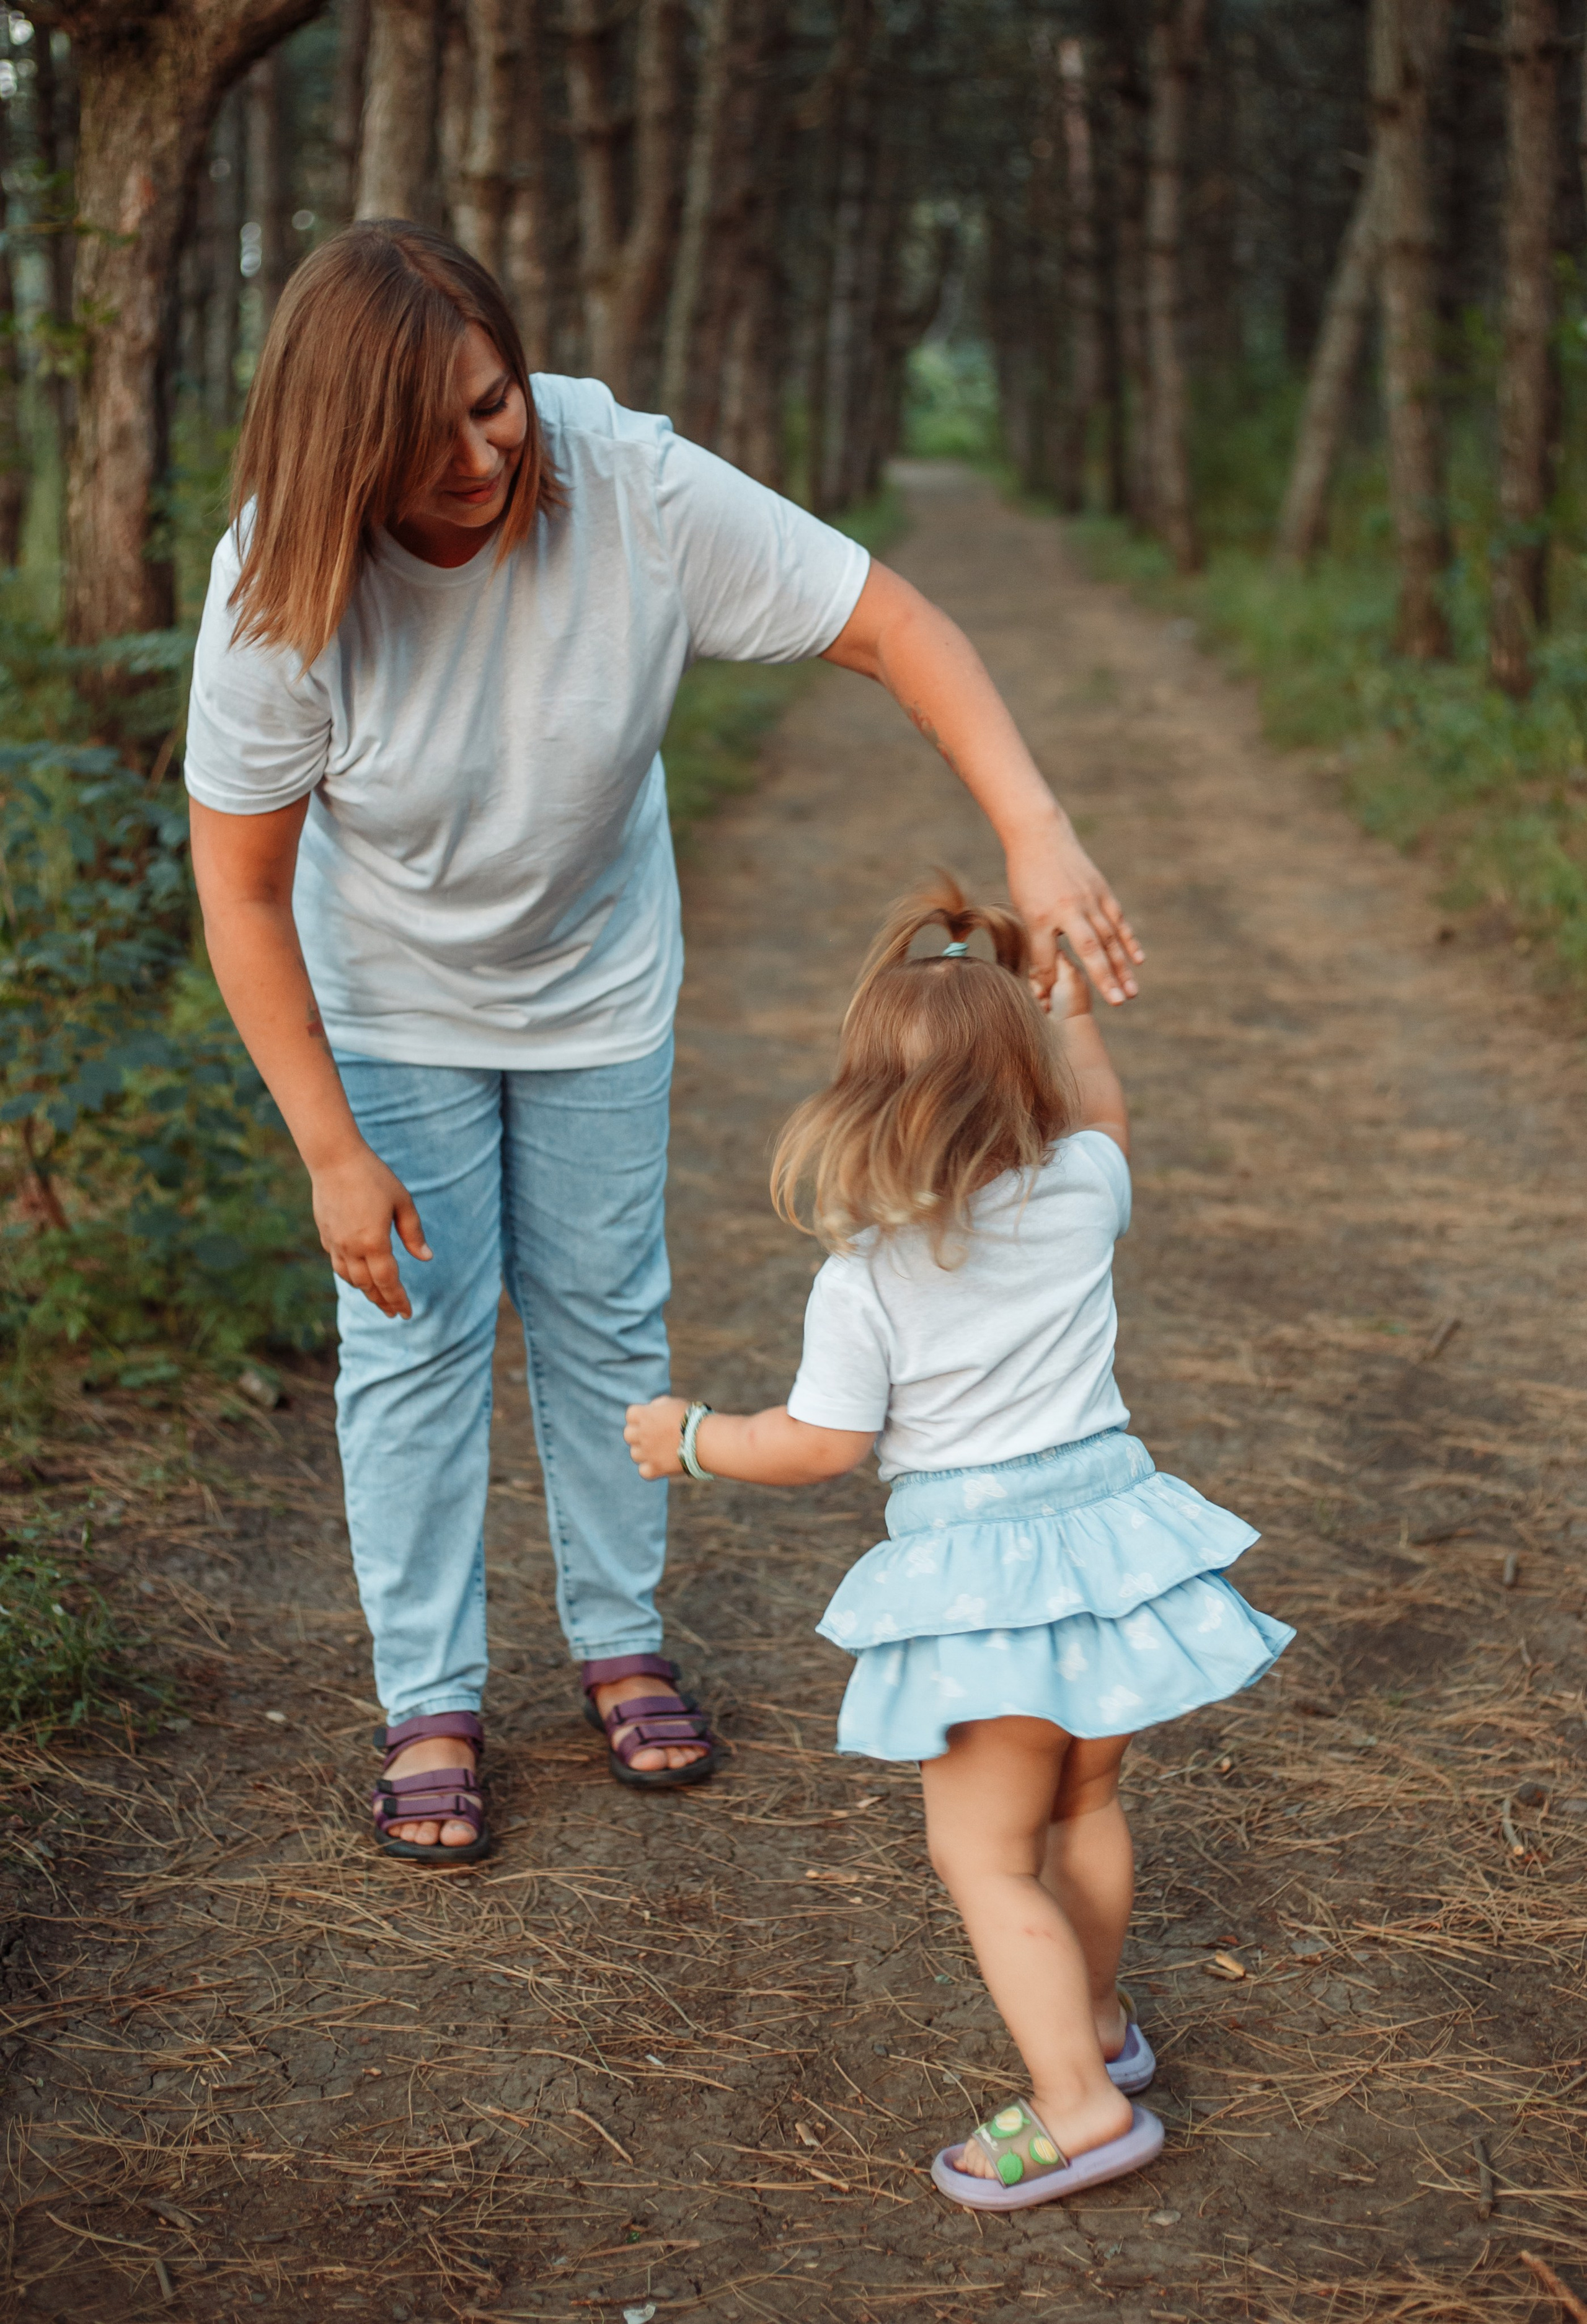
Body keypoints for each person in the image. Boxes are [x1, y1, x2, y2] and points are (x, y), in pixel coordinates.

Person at [184, 219, 1144, 1865]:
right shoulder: (280, 588)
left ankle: (618, 1636)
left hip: (595, 985)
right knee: (414, 1345)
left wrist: (1037, 828)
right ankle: (430, 1695)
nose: (484, 453)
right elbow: (247, 889)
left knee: (601, 1315)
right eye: (429, 439)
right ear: (346, 454)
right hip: (391, 1001)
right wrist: (331, 1146)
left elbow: (896, 626)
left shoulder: (629, 485)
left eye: (495, 403)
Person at [624, 874, 1293, 2208]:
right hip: (1111, 1555)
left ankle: (1076, 2103)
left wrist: (691, 1435)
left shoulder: (867, 1274)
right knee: (1087, 1802)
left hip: (990, 1596)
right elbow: (1104, 1111)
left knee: (981, 1857)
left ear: (870, 1095)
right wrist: (1072, 1008)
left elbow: (818, 1445)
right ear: (1023, 1075)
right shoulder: (1077, 1190)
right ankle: (1095, 2023)